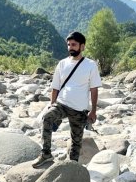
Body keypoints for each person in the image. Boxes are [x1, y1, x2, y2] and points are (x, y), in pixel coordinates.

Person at [32, 31, 102, 168]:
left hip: (79, 109)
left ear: (82, 46)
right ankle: (46, 153)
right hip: (61, 104)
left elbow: (94, 89)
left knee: (76, 141)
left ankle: (72, 167)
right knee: (47, 117)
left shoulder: (90, 65)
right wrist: (52, 105)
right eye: (69, 45)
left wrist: (93, 111)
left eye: (74, 45)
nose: (70, 47)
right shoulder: (62, 64)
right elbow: (55, 87)